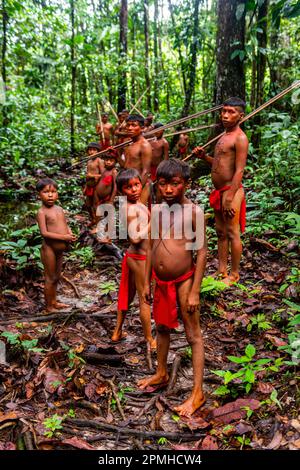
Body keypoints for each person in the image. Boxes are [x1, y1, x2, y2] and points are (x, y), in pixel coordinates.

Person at [138, 159, 207, 418]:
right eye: (164, 184)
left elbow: (201, 253)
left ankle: (197, 392)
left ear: (186, 184)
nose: (168, 190)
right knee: (161, 327)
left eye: (175, 184)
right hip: (160, 280)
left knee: (193, 335)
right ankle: (161, 372)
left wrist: (195, 291)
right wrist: (146, 281)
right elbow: (149, 245)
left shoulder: (194, 212)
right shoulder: (156, 211)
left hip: (185, 279)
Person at [192, 97, 248, 285]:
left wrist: (230, 195)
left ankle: (234, 274)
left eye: (231, 112)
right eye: (224, 111)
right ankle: (222, 270)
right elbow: (218, 164)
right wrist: (204, 156)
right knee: (220, 232)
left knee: (232, 232)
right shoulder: (223, 136)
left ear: (241, 116)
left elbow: (239, 170)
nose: (225, 115)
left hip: (231, 191)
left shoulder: (240, 138)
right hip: (219, 191)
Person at [111, 169, 156, 349]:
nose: (134, 189)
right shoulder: (129, 210)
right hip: (139, 257)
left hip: (137, 256)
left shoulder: (137, 204)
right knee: (144, 297)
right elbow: (135, 239)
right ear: (122, 191)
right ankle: (149, 339)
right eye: (128, 187)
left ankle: (117, 332)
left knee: (127, 295)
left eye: (136, 185)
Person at [36, 178, 77, 313]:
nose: (50, 195)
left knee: (56, 277)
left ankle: (54, 302)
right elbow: (44, 233)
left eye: (53, 192)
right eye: (46, 192)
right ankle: (48, 306)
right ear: (39, 195)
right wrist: (63, 237)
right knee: (49, 277)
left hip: (60, 249)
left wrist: (70, 234)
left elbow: (65, 225)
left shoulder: (59, 209)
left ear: (57, 194)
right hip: (49, 249)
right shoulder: (42, 212)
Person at [122, 114, 152, 205]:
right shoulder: (129, 144)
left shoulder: (144, 145)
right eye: (128, 125)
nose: (130, 128)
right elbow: (125, 165)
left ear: (142, 128)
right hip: (128, 184)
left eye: (134, 125)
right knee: (126, 216)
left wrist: (137, 190)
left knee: (138, 215)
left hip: (138, 186)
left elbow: (146, 171)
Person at [92, 149, 118, 242]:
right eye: (107, 160)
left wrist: (111, 199)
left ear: (115, 162)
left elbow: (115, 186)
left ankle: (109, 234)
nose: (108, 162)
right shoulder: (104, 170)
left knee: (109, 214)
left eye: (111, 160)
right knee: (97, 211)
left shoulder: (114, 172)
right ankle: (98, 228)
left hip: (107, 197)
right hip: (98, 196)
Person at [83, 142, 105, 227]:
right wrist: (85, 186)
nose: (92, 152)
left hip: (97, 186)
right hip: (89, 185)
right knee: (88, 205)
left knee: (96, 205)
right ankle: (93, 220)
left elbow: (103, 175)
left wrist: (93, 176)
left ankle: (99, 224)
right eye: (90, 150)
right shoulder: (88, 161)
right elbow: (87, 175)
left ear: (98, 151)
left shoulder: (99, 161)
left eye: (94, 150)